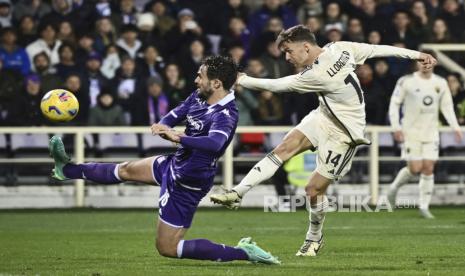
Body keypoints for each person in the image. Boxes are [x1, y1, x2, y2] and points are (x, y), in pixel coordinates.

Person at [210, 25, 436, 257]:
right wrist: (417, 55)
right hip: (324, 115)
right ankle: (237, 193)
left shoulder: (317, 75)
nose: (287, 57)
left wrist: (242, 79)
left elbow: (277, 85)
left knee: (313, 190)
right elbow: (378, 48)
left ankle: (314, 237)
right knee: (284, 148)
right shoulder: (340, 48)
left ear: (305, 47)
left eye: (289, 51)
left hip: (345, 133)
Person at [47, 55, 280, 264]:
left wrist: (179, 137)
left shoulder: (226, 115)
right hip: (174, 164)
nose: (196, 80)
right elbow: (177, 113)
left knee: (167, 248)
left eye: (200, 76)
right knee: (126, 169)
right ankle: (66, 169)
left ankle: (243, 252)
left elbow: (215, 144)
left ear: (216, 83)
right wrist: (164, 124)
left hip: (188, 182)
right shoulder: (199, 96)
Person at [387, 52, 462, 219]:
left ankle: (424, 206)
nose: (425, 64)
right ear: (416, 63)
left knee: (428, 167)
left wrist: (455, 127)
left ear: (434, 63)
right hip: (410, 132)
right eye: (421, 61)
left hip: (431, 132)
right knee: (415, 168)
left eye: (428, 61)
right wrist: (396, 127)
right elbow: (394, 104)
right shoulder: (406, 81)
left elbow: (447, 107)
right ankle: (393, 189)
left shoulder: (440, 83)